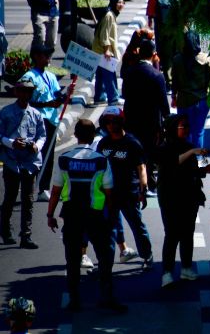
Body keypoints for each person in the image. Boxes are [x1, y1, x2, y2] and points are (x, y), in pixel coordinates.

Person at [46, 119, 127, 313]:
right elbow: (109, 192)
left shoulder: (64, 159)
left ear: (75, 135)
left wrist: (50, 214)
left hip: (72, 215)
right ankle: (107, 298)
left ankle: (74, 301)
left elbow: (56, 190)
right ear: (93, 137)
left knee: (72, 259)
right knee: (105, 257)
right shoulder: (100, 160)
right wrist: (112, 217)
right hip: (96, 216)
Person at [156, 114, 210, 287]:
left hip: (189, 196)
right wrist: (192, 152)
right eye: (183, 126)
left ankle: (186, 268)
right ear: (173, 128)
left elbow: (190, 171)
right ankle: (167, 272)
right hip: (170, 197)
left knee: (187, 233)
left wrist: (205, 170)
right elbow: (173, 163)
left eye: (188, 126)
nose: (187, 130)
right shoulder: (164, 147)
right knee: (172, 234)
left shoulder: (188, 146)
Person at [96, 107, 153, 269]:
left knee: (137, 225)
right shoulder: (103, 143)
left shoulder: (132, 143)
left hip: (129, 193)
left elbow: (141, 167)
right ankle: (106, 262)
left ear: (121, 122)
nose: (110, 125)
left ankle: (146, 255)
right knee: (108, 230)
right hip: (108, 194)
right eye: (107, 122)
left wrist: (143, 187)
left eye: (114, 121)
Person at [0, 77, 46, 249]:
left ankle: (26, 235)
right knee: (10, 197)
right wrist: (11, 143)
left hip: (30, 162)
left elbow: (42, 135)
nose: (26, 94)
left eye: (29, 91)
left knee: (28, 199)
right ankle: (5, 230)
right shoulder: (5, 113)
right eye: (22, 90)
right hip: (12, 161)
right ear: (16, 92)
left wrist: (37, 146)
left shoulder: (36, 114)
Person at [24, 43, 74, 201]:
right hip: (37, 120)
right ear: (37, 57)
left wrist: (66, 95)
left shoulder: (51, 76)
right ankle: (31, 186)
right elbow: (25, 100)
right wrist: (47, 104)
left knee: (49, 156)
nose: (48, 59)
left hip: (52, 119)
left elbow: (57, 95)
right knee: (35, 154)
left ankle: (43, 188)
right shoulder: (29, 77)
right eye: (45, 56)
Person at [123, 39, 169, 193]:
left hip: (131, 119)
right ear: (154, 54)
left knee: (134, 151)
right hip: (150, 122)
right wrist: (166, 120)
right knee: (149, 152)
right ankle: (149, 181)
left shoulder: (129, 72)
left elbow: (124, 94)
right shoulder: (157, 75)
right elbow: (164, 104)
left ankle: (136, 181)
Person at [172, 30, 210, 148]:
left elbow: (174, 81)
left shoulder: (177, 59)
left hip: (183, 100)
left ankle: (188, 158)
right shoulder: (205, 59)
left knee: (185, 131)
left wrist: (174, 97)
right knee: (198, 131)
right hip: (201, 100)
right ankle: (198, 159)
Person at [91, 0, 124, 106]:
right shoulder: (109, 15)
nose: (121, 5)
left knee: (100, 75)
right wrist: (107, 50)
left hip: (99, 49)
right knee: (110, 74)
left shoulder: (111, 14)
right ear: (113, 3)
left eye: (122, 2)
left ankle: (99, 97)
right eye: (118, 2)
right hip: (103, 50)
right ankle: (113, 98)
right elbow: (104, 34)